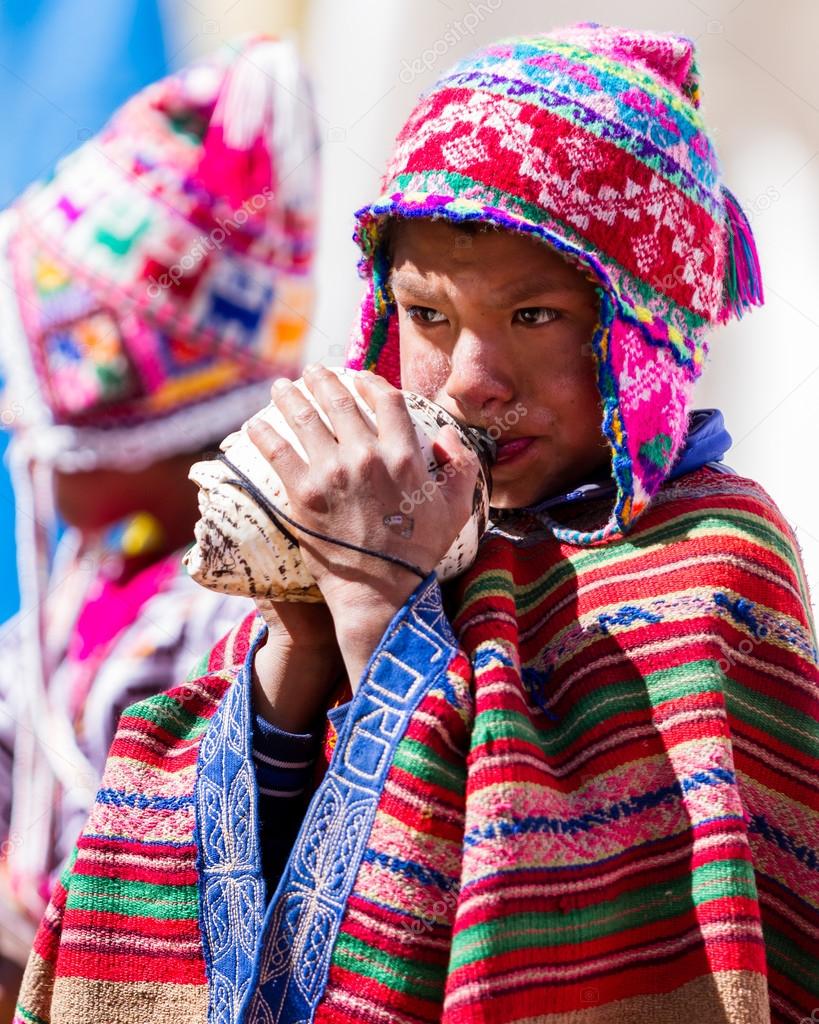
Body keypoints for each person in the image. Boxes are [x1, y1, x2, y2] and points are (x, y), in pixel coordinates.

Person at [14, 23, 819, 1024]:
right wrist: (298, 645)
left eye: (532, 317)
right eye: (429, 317)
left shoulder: (714, 566)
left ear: (640, 327)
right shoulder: (403, 517)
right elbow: (210, 885)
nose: (473, 381)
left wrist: (375, 605)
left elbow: (577, 923)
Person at [0, 34, 319, 1018]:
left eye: (33, 380)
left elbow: (149, 913)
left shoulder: (218, 623)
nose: (12, 414)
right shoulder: (101, 575)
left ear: (121, 410)